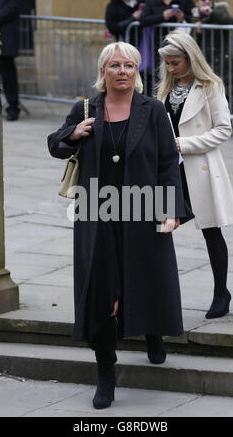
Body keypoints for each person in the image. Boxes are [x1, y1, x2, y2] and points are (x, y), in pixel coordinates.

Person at [48, 41, 190, 409]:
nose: (122, 71)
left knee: (147, 279)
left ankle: (153, 331)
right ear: (103, 72)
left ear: (137, 72)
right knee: (101, 291)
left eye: (129, 65)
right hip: (98, 213)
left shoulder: (154, 110)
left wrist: (171, 208)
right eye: (115, 65)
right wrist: (73, 134)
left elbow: (166, 162)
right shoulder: (86, 108)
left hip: (144, 211)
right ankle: (106, 372)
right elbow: (55, 145)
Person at [157, 30, 233, 319]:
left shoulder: (210, 86)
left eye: (175, 62)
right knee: (158, 227)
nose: (170, 68)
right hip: (170, 169)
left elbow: (223, 129)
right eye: (167, 63)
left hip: (200, 167)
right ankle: (154, 293)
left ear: (190, 58)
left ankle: (221, 292)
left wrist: (185, 144)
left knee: (211, 231)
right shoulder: (165, 88)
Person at [139, 0, 193, 96]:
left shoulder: (184, 0)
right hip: (156, 47)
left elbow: (192, 19)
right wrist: (163, 16)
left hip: (179, 46)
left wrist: (182, 18)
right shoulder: (152, 1)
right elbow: (143, 20)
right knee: (159, 75)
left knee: (178, 74)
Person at [191, 0, 233, 99]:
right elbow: (192, 43)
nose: (207, 1)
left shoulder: (220, 10)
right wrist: (197, 32)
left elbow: (231, 21)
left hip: (221, 59)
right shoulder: (195, 15)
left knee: (224, 94)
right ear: (197, 3)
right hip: (204, 61)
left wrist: (211, 13)